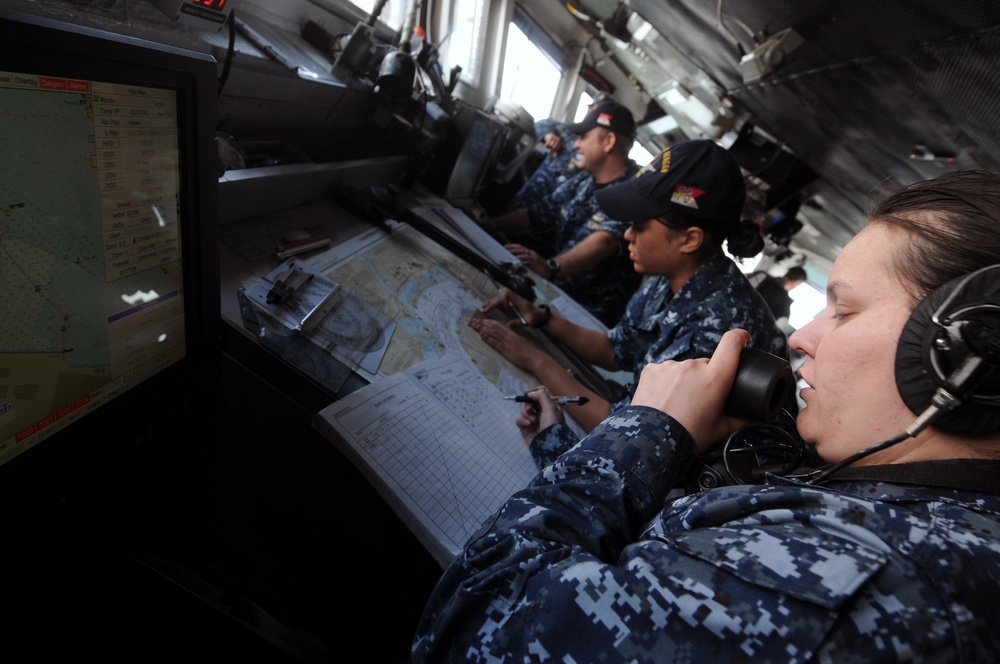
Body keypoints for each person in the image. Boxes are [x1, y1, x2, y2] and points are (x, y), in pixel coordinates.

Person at [412, 169, 1000, 662]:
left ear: (968, 356)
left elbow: (475, 624)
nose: (800, 338)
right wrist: (557, 430)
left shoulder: (844, 583)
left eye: (843, 311)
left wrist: (647, 428)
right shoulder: (885, 492)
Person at [472, 139, 789, 453]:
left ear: (689, 239)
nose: (627, 234)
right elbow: (616, 349)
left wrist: (534, 359)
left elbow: (625, 431)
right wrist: (541, 317)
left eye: (640, 225)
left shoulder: (719, 326)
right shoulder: (671, 276)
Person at [478, 98, 642, 326]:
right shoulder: (585, 181)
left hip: (586, 317)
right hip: (555, 295)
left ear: (608, 142)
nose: (576, 145)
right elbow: (537, 213)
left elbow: (606, 240)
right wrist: (484, 227)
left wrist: (551, 267)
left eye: (583, 137)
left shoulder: (634, 191)